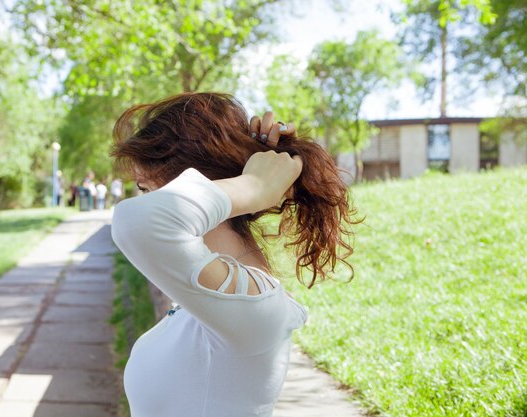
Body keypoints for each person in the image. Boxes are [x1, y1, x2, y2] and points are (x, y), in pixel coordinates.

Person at [110, 92, 356, 417]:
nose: (144, 198)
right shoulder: (219, 293)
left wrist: (253, 185)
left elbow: (137, 222)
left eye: (146, 187)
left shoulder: (254, 305)